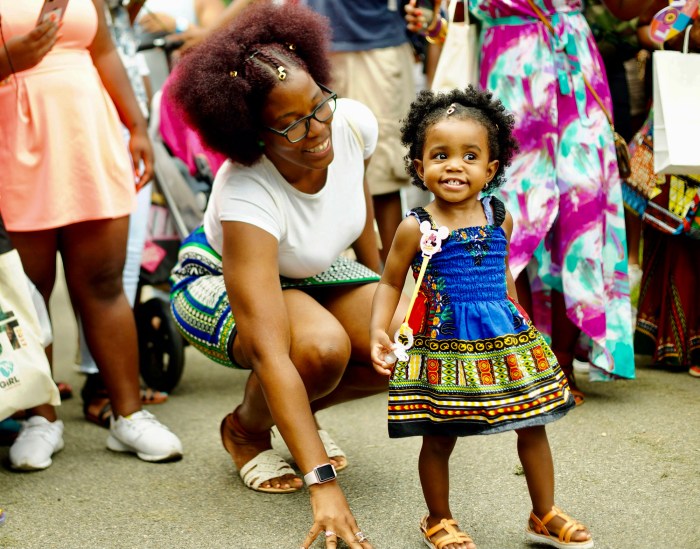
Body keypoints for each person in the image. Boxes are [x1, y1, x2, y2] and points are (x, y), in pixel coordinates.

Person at [167, 3, 405, 547]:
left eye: (318, 105)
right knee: (317, 351)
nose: (317, 130)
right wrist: (321, 483)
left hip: (311, 268)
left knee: (398, 340)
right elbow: (273, 349)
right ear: (252, 135)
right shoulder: (245, 188)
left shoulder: (349, 122)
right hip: (219, 277)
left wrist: (377, 288)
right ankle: (246, 431)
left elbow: (357, 205)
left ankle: (291, 417)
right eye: (291, 124)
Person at [407, 0, 659, 405]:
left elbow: (624, 8)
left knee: (582, 209)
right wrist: (435, 21)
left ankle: (558, 360)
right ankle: (513, 357)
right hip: (512, 63)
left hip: (574, 68)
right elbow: (448, 17)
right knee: (512, 216)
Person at [370, 86, 590, 549]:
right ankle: (438, 518)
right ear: (418, 166)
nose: (455, 165)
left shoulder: (498, 217)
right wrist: (379, 332)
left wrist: (521, 326)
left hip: (505, 339)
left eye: (470, 156)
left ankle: (543, 512)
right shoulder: (417, 226)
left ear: (490, 169)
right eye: (440, 155)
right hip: (444, 344)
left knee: (533, 422)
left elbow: (504, 276)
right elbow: (391, 282)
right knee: (438, 432)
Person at [0, 0, 183, 470]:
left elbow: (104, 54)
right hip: (13, 142)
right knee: (29, 292)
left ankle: (128, 416)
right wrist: (8, 61)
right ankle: (40, 419)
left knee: (104, 284)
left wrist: (136, 127)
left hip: (88, 140)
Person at [304, 0, 418, 266]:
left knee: (380, 176)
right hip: (322, 44)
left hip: (374, 45)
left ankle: (393, 285)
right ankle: (359, 280)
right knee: (325, 164)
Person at [627, 3, 700, 378]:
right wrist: (685, 21)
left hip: (683, 105)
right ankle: (675, 339)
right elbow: (643, 30)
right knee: (677, 230)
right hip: (685, 105)